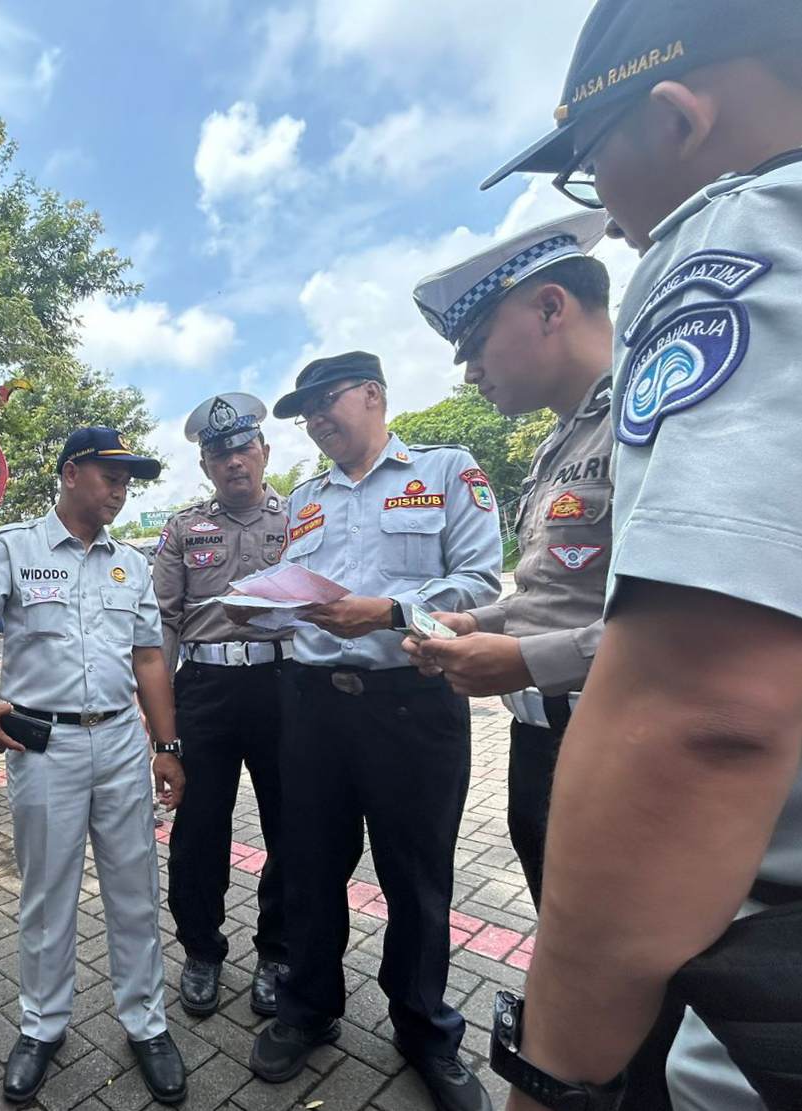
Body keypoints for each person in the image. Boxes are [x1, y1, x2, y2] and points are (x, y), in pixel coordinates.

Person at [479, 3, 802, 1109]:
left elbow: (699, 713)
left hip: (757, 959)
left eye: (589, 172)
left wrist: (553, 1073)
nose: (605, 221)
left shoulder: (742, 233)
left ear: (673, 117)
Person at [250, 352, 502, 1111]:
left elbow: (481, 583)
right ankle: (308, 1006)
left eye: (326, 401)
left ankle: (424, 1028)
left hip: (411, 702)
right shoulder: (304, 498)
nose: (316, 419)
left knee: (416, 875)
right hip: (314, 703)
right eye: (305, 412)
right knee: (309, 864)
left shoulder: (447, 469)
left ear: (372, 395)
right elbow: (298, 590)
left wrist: (389, 610)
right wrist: (258, 605)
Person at [0, 428, 189, 1106]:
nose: (121, 487)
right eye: (111, 474)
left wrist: (165, 746)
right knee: (46, 893)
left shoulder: (130, 565)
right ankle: (42, 1025)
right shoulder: (13, 549)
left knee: (134, 887)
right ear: (71, 471)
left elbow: (147, 658)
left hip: (116, 743)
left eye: (129, 478)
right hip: (41, 744)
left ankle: (146, 1023)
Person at [405, 210, 612, 909]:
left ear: (549, 307)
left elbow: (694, 624)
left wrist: (523, 660)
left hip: (619, 739)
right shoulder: (554, 445)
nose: (469, 373)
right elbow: (550, 592)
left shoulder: (653, 418)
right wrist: (479, 624)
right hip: (541, 739)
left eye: (477, 342)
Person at [152, 392, 292, 1019]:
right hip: (204, 690)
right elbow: (161, 628)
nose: (234, 461)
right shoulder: (184, 528)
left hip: (282, 687)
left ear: (264, 452)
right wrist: (159, 727)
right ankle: (202, 951)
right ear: (206, 466)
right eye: (220, 454)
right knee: (199, 827)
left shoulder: (301, 519)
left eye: (243, 448)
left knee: (290, 827)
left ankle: (278, 951)